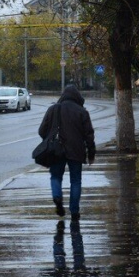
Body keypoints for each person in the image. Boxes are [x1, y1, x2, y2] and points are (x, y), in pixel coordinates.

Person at [38, 85, 96, 220]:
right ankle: (74, 211)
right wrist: (91, 153)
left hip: (56, 150)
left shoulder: (53, 109)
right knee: (75, 181)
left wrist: (50, 140)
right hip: (76, 151)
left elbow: (42, 130)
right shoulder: (82, 112)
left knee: (55, 177)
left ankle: (57, 197)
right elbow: (89, 135)